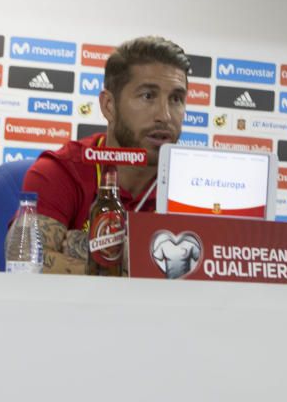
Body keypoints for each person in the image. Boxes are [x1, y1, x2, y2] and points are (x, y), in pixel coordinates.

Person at [23, 35, 190, 274]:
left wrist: (87, 251)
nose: (164, 115)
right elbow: (27, 261)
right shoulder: (60, 171)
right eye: (148, 96)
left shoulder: (194, 186)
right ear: (109, 106)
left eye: (176, 99)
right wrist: (150, 268)